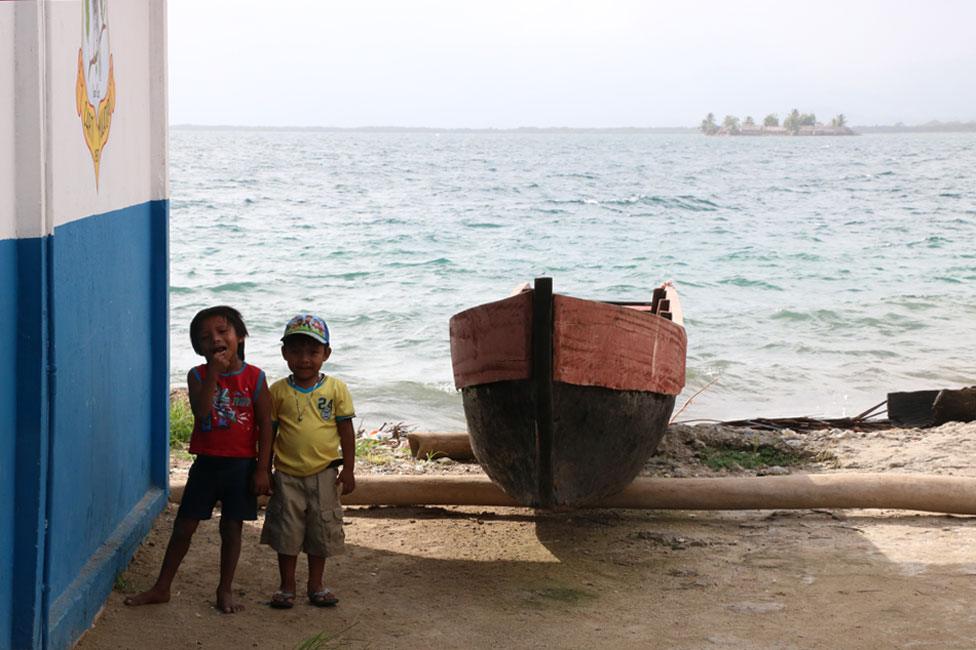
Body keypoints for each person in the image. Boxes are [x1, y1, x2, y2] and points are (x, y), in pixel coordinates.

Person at [125, 305, 272, 614]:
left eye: (222, 331)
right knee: (183, 527)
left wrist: (262, 469)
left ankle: (224, 590)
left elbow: (266, 425)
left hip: (241, 466)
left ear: (239, 336)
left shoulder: (256, 378)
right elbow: (203, 412)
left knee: (232, 530)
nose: (215, 339)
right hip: (206, 464)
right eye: (205, 337)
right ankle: (162, 587)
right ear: (198, 347)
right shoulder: (198, 376)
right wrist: (215, 375)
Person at [262, 313, 356, 609]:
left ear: (326, 354)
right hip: (286, 476)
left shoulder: (335, 389)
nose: (305, 359)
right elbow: (267, 434)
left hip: (325, 475)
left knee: (322, 531)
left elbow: (346, 431)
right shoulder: (277, 391)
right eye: (297, 351)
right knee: (286, 531)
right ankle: (286, 586)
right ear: (284, 354)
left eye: (313, 352)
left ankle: (316, 585)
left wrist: (350, 469)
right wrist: (262, 470)